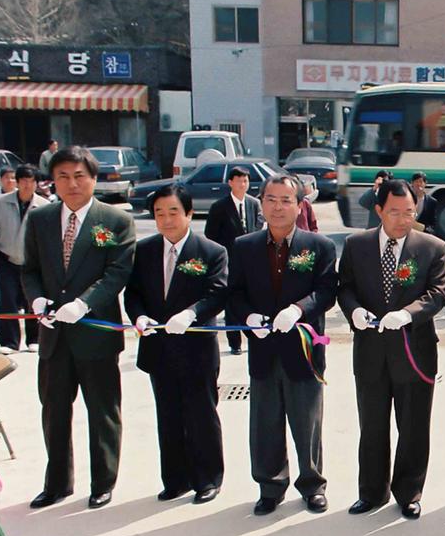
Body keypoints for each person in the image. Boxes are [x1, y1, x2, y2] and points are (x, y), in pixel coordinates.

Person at [21, 145, 136, 510]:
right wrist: (37, 300)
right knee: (54, 409)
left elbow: (117, 273)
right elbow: (29, 269)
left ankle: (103, 482)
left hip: (95, 334)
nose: (72, 184)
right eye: (63, 177)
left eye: (79, 176)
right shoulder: (40, 220)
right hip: (54, 335)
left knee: (102, 410)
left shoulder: (115, 220)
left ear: (94, 179)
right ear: (51, 182)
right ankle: (56, 483)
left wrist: (83, 303)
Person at [227, 174, 339, 516]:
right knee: (265, 422)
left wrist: (297, 309)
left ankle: (312, 484)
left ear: (300, 205)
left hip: (302, 352)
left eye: (286, 200)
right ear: (261, 204)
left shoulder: (319, 246)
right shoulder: (244, 246)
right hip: (262, 350)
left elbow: (325, 292)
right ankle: (270, 486)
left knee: (307, 423)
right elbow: (234, 293)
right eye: (271, 200)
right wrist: (247, 318)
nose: (278, 207)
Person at [338, 179, 445, 520]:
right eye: (395, 212)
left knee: (414, 426)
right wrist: (354, 310)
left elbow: (437, 292)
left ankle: (409, 492)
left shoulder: (432, 246)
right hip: (370, 352)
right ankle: (371, 492)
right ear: (379, 211)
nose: (403, 219)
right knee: (372, 425)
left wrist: (407, 314)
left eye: (410, 212)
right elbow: (346, 288)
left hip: (414, 352)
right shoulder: (357, 245)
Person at [124, 184, 229, 504]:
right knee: (168, 416)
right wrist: (139, 317)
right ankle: (175, 479)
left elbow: (217, 293)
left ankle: (208, 479)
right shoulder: (144, 251)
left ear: (188, 213)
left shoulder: (211, 251)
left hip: (196, 348)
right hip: (159, 349)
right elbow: (134, 294)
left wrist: (190, 314)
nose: (166, 219)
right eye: (159, 213)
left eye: (173, 212)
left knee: (201, 416)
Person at [0, 164, 48, 354]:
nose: (27, 185)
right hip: (6, 259)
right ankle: (9, 342)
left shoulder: (45, 206)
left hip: (32, 261)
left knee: (33, 300)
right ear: (17, 182)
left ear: (37, 184)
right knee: (7, 300)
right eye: (23, 181)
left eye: (31, 182)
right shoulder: (1, 202)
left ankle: (34, 338)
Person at [204, 166, 261, 356]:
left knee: (252, 299)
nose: (243, 185)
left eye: (246, 181)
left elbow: (259, 229)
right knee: (232, 302)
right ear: (230, 183)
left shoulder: (254, 203)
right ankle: (234, 341)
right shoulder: (219, 207)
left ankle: (253, 335)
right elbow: (210, 236)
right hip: (229, 261)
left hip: (251, 261)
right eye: (239, 181)